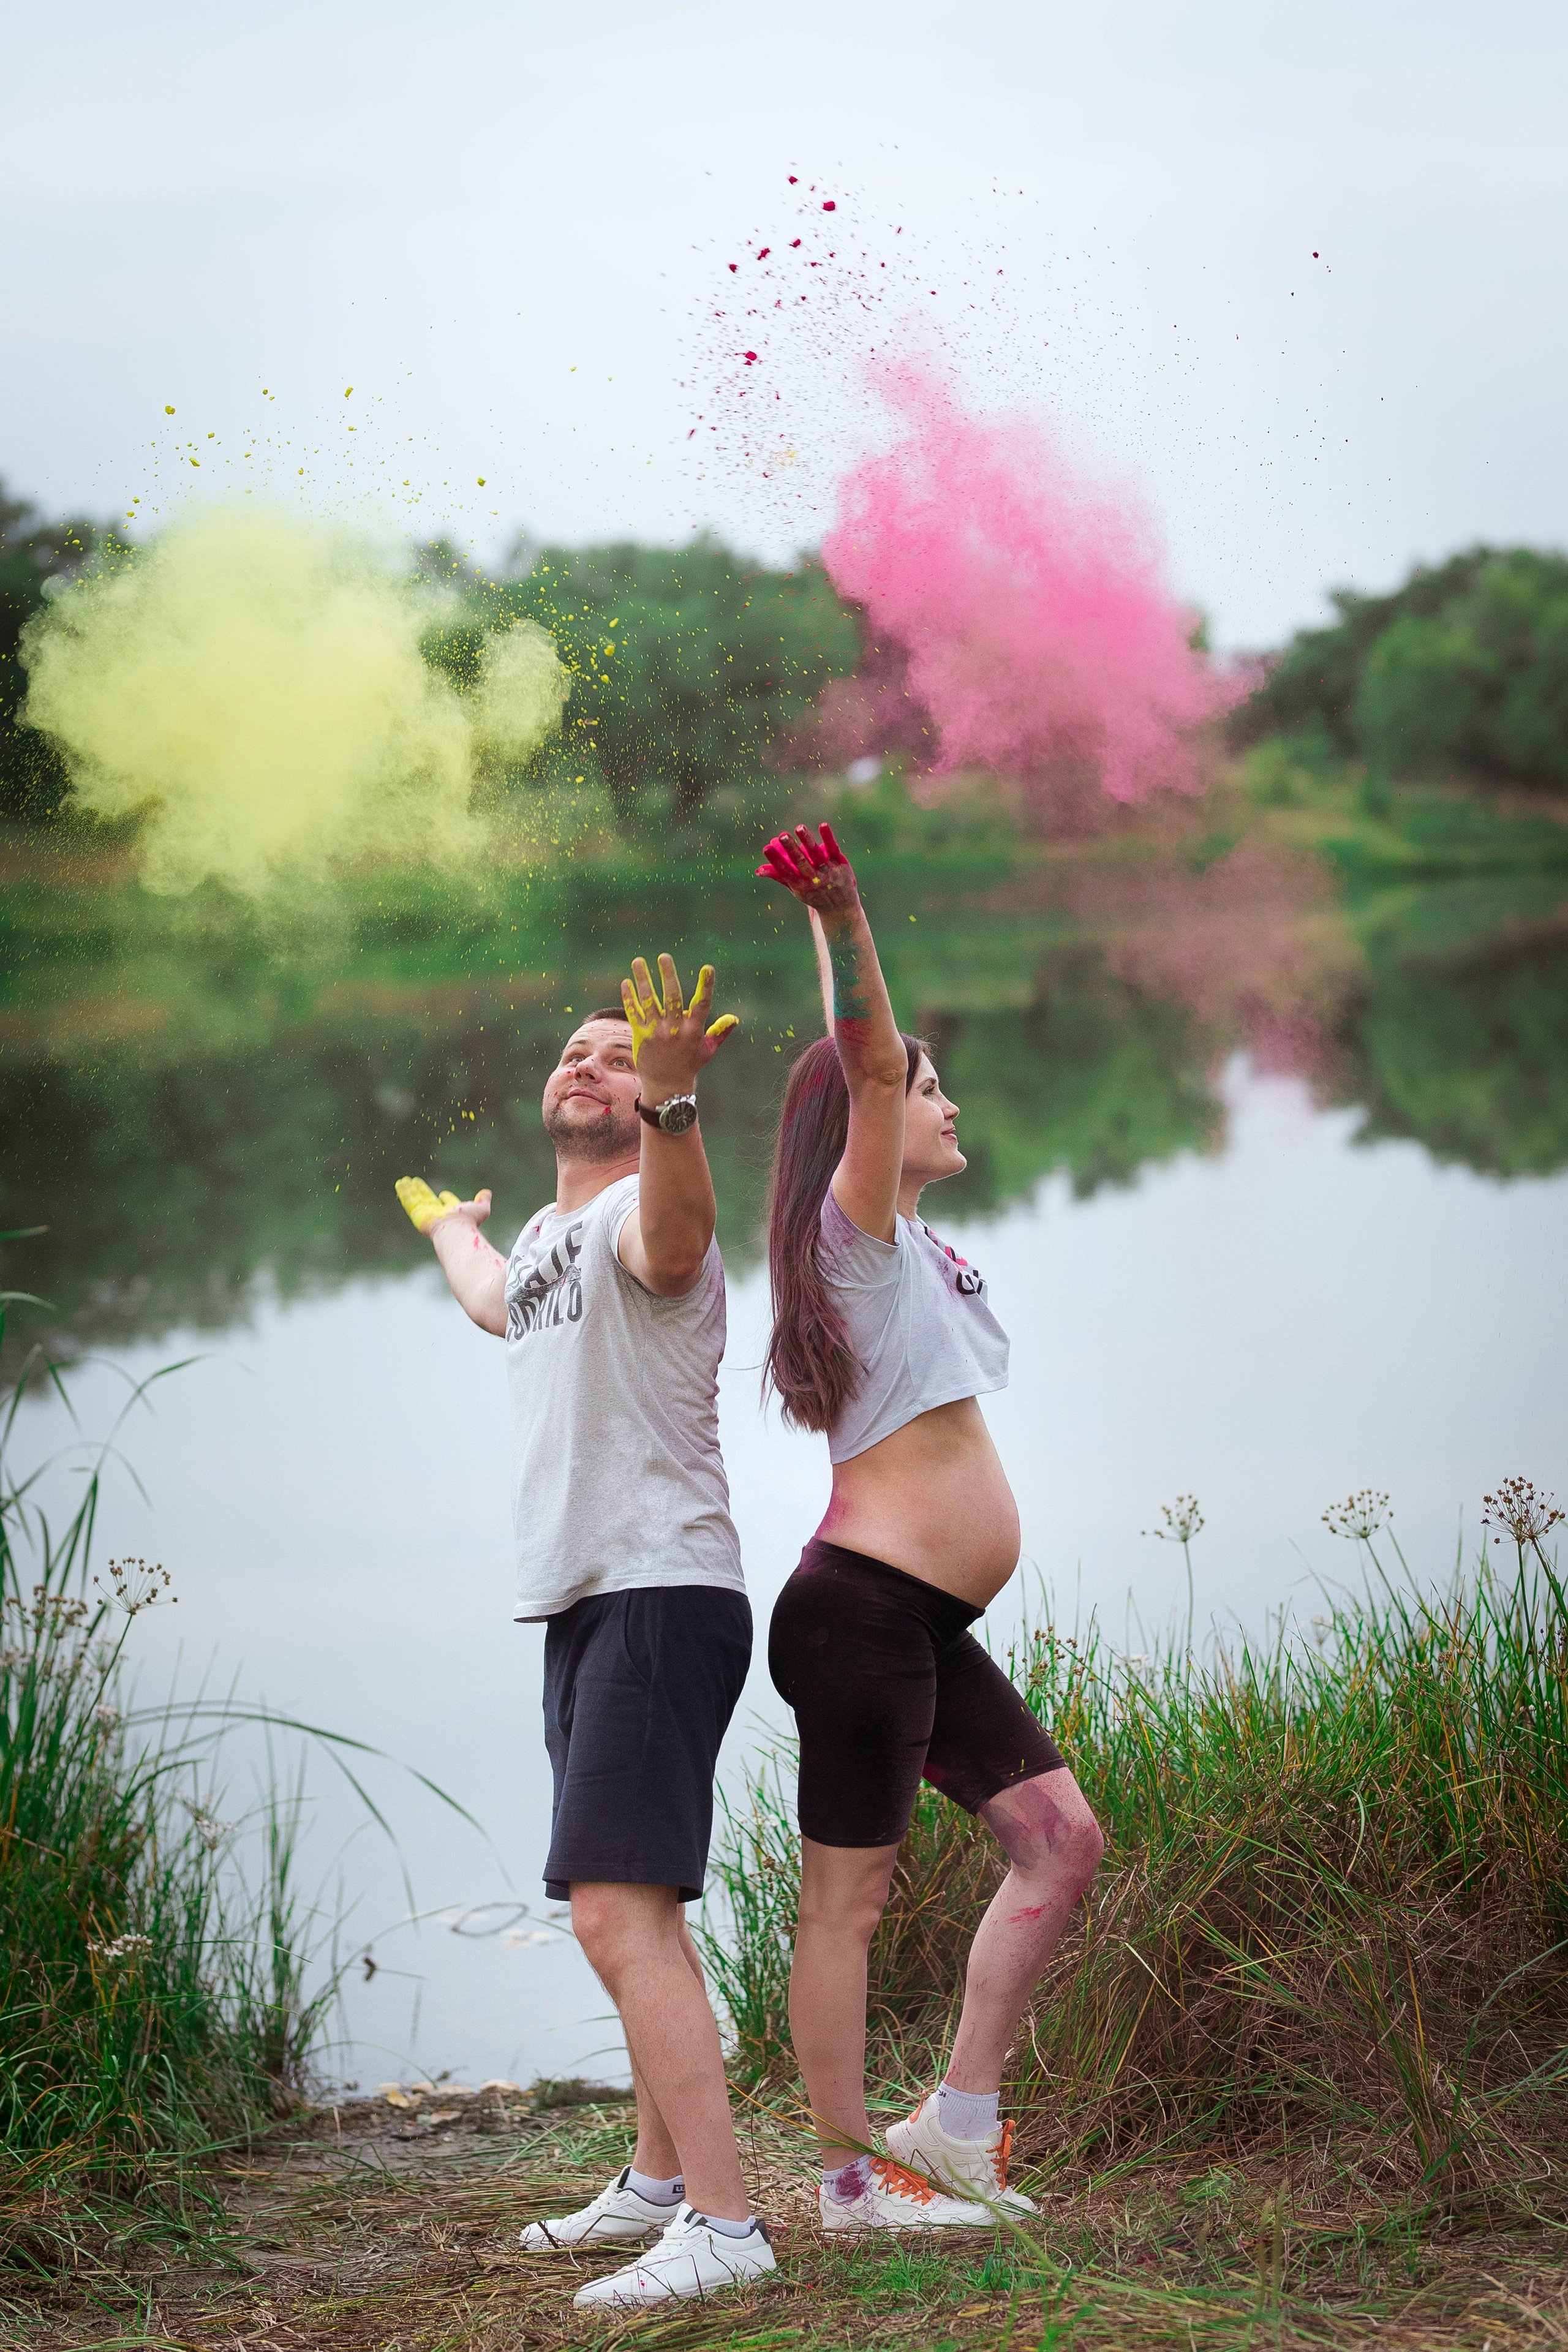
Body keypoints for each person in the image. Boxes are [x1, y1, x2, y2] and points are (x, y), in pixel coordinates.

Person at [394, 956, 775, 2310]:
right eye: (572, 1050)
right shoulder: (560, 1243)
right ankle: (661, 2183)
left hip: (659, 1593)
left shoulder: (639, 1218)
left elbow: (674, 1243)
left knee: (615, 1914)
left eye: (615, 1056)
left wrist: (672, 1111)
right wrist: (449, 1227)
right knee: (638, 1910)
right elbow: (499, 1299)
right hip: (587, 1601)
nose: (583, 1063)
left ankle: (726, 2229)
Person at [756, 824, 1106, 2234]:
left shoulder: (915, 1253)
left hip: (911, 1619)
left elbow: (871, 1069)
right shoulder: (858, 1240)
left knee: (1059, 1840)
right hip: (858, 1617)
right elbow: (866, 1049)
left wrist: (822, 927)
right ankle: (845, 2190)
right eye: (918, 1086)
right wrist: (843, 920)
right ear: (868, 1118)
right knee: (842, 1912)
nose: (940, 1100)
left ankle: (953, 2127)